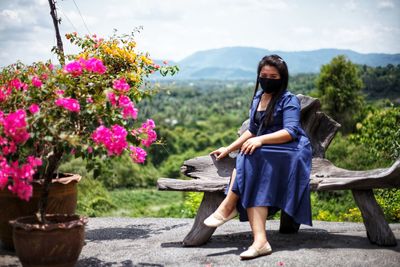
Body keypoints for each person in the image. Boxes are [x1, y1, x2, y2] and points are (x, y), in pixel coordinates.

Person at [204, 54, 312, 260]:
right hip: (268, 150)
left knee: (250, 154)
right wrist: (228, 148)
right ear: (258, 76)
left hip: (292, 150)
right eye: (264, 75)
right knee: (249, 160)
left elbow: (290, 132)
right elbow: (253, 130)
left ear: (282, 78)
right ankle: (260, 242)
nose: (268, 79)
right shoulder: (258, 98)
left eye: (273, 76)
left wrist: (261, 140)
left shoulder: (288, 100)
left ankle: (228, 206)